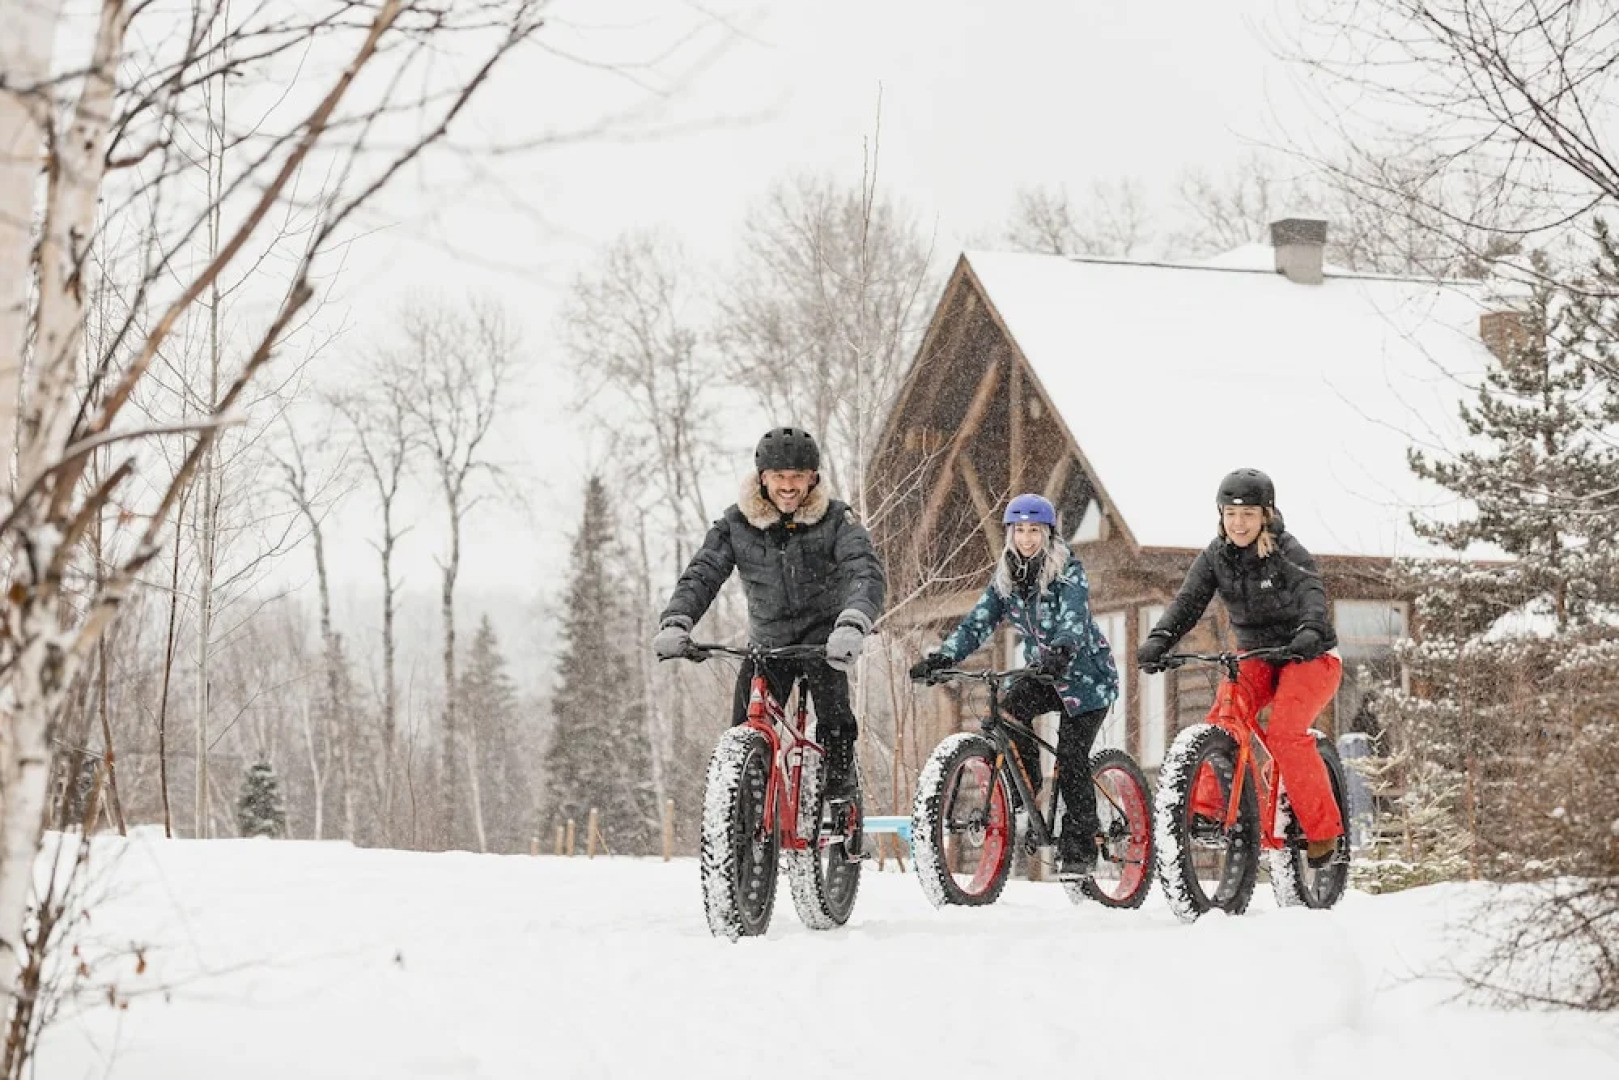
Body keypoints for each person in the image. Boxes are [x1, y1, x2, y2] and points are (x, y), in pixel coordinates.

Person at [652, 427, 885, 800]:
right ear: (763, 478)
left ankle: (842, 801)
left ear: (813, 478)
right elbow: (703, 574)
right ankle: (745, 815)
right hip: (768, 644)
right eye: (779, 476)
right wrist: (677, 621)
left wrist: (852, 623)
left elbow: (864, 572)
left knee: (835, 723)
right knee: (742, 734)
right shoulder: (736, 524)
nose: (788, 486)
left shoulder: (837, 520)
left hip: (823, 642)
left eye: (797, 476)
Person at [1134, 467, 1345, 866]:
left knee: (1284, 733)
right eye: (1230, 514)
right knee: (1225, 718)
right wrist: (1160, 639)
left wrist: (1310, 630)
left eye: (1248, 513)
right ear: (1221, 516)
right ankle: (1208, 811)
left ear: (1266, 514)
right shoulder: (1216, 556)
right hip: (1256, 655)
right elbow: (1188, 603)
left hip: (1310, 655)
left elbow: (1311, 593)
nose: (1238, 523)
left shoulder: (1287, 551)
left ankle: (1323, 830)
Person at [909, 493, 1119, 877]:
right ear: (1010, 534)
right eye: (1019, 531)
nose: (1026, 539)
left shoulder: (1068, 571)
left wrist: (1062, 648)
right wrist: (944, 657)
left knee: (1071, 756)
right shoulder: (1006, 578)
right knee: (1007, 713)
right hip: (1043, 675)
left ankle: (1082, 845)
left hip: (1087, 680)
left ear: (1048, 533)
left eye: (1034, 530)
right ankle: (1025, 792)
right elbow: (977, 623)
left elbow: (1073, 616)